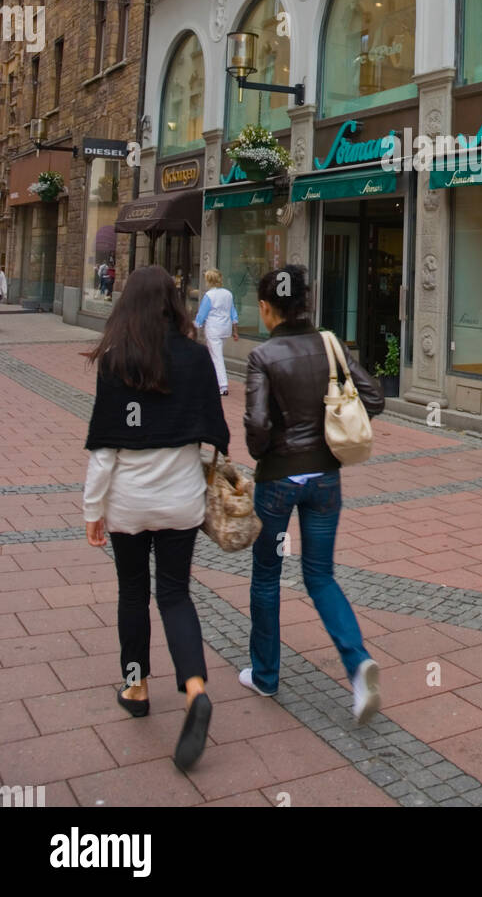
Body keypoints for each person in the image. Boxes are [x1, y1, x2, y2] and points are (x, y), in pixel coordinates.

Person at [83, 265, 230, 771]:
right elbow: (214, 431)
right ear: (173, 303)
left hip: (127, 502)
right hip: (181, 500)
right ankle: (194, 689)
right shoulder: (194, 357)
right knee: (173, 593)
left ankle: (137, 685)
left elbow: (105, 449)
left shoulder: (116, 361)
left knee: (131, 592)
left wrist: (92, 510)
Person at [242, 266, 385, 722]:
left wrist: (266, 451)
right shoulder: (331, 345)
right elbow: (374, 398)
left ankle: (265, 675)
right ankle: (357, 663)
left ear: (267, 308)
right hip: (325, 477)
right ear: (306, 302)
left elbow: (258, 427)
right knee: (320, 576)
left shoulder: (263, 355)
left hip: (278, 479)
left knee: (266, 577)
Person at [194, 268, 239, 396]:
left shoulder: (209, 295)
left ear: (209, 280)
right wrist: (235, 331)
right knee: (215, 355)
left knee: (217, 357)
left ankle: (222, 385)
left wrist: (195, 327)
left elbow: (202, 314)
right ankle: (211, 381)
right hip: (226, 329)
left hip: (213, 329)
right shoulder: (228, 294)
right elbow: (233, 313)